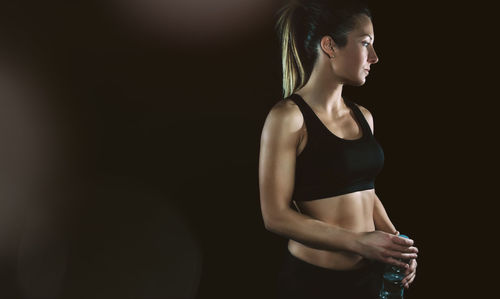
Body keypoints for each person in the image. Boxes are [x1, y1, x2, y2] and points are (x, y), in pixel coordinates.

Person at [258, 0, 418, 298]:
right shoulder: (288, 117)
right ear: (330, 46)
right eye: (365, 43)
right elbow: (275, 216)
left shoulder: (363, 116)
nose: (374, 57)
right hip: (313, 283)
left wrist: (398, 246)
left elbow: (363, 192)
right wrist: (359, 242)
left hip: (368, 280)